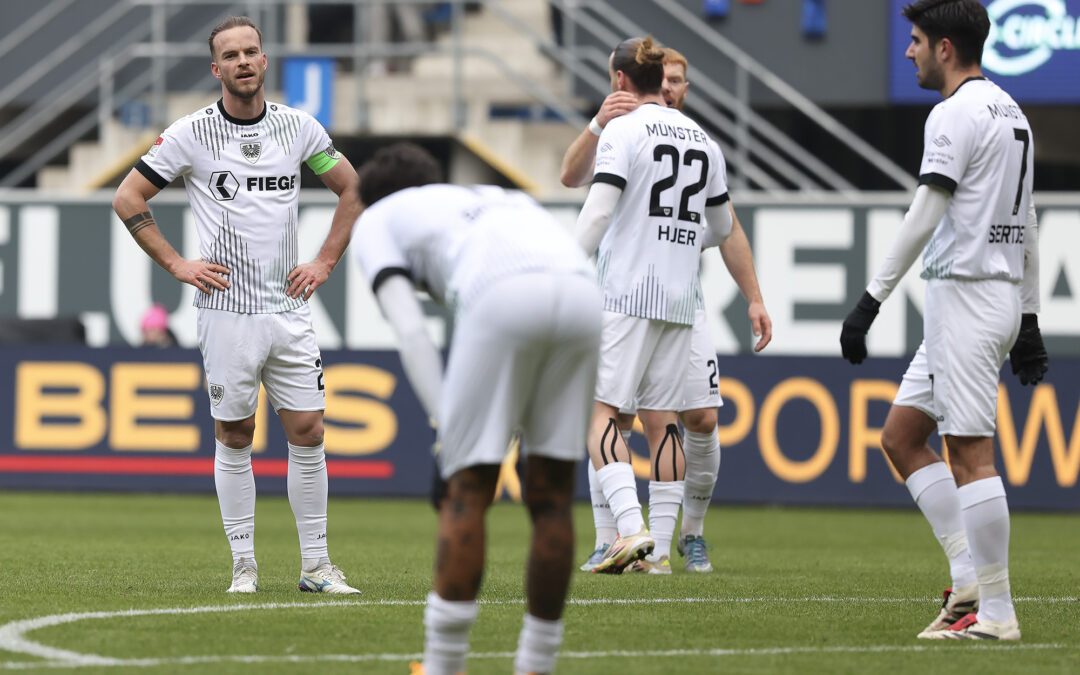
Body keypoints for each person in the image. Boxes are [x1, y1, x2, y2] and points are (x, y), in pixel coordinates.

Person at [112, 16, 363, 595]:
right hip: (225, 311)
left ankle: (317, 567)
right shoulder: (190, 135)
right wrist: (177, 264)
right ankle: (244, 567)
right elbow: (129, 196)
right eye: (231, 54)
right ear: (216, 68)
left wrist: (324, 260)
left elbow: (351, 189)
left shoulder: (299, 129)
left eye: (252, 51)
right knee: (234, 434)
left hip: (288, 309)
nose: (244, 61)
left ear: (265, 61)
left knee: (309, 429)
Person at [351, 143, 601, 675]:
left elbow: (412, 330)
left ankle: (444, 666)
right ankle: (537, 665)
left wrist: (448, 432)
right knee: (552, 495)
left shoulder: (375, 219)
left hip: (499, 293)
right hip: (583, 293)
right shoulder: (488, 196)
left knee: (467, 489)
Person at [840, 0, 1046, 641]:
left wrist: (870, 300)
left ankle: (999, 612)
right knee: (901, 437)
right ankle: (966, 580)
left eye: (917, 41)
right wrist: (1031, 317)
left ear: (946, 49)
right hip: (990, 296)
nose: (910, 52)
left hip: (969, 295)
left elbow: (925, 211)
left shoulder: (953, 113)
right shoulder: (1012, 112)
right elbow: (1030, 219)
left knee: (970, 453)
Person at [563, 46, 771, 574]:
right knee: (668, 424)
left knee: (598, 412)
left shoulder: (625, 131)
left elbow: (600, 207)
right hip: (680, 302)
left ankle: (628, 531)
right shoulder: (704, 140)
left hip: (625, 294)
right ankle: (655, 553)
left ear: (619, 78)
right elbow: (723, 229)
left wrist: (560, 267)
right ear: (663, 79)